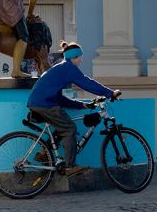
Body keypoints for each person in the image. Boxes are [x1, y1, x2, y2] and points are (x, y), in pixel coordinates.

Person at [27, 41, 122, 176]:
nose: (81, 61)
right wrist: (110, 93)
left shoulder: (61, 67)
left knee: (62, 126)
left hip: (40, 101)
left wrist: (80, 104)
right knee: (69, 128)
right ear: (75, 57)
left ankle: (43, 153)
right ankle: (70, 167)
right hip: (44, 103)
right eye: (81, 57)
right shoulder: (69, 68)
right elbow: (87, 83)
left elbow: (59, 98)